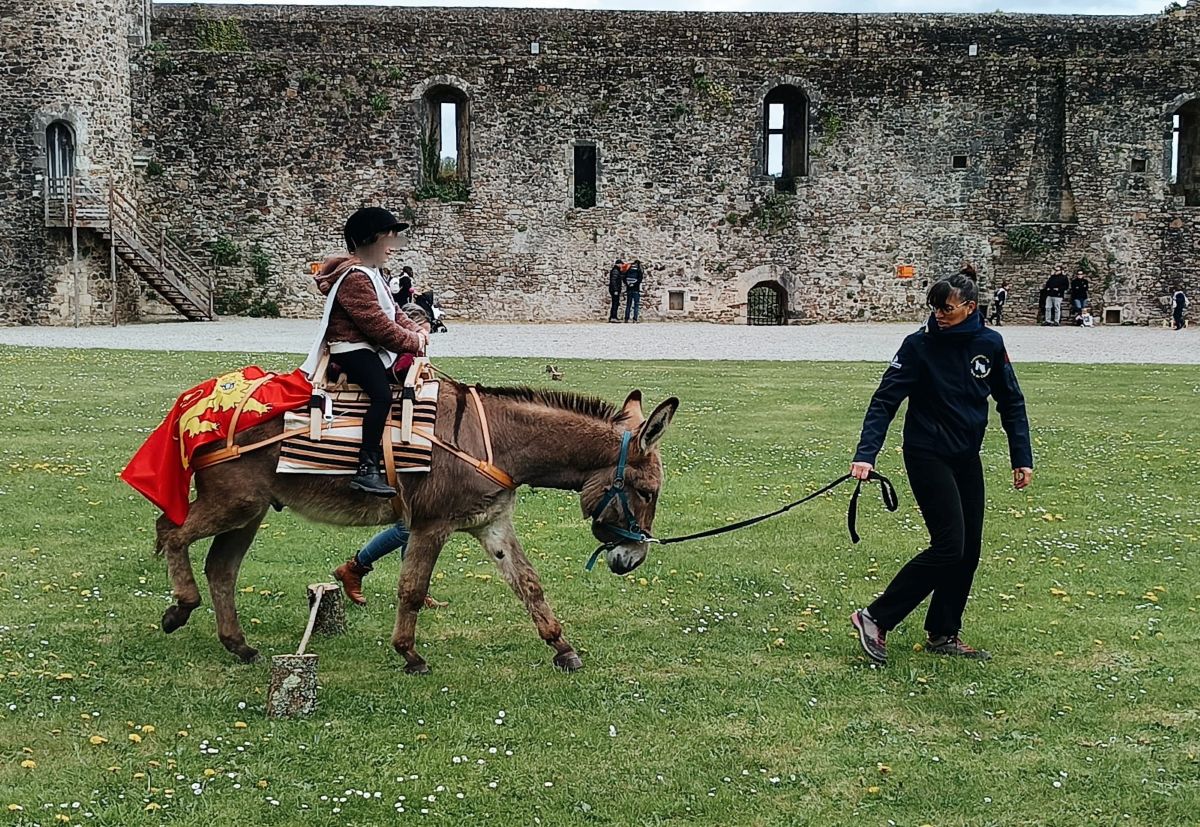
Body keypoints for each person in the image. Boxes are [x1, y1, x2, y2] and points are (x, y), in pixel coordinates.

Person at [848, 273, 1033, 665]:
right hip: (926, 452)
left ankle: (943, 632)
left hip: (966, 456)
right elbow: (885, 401)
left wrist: (1022, 456)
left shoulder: (990, 344)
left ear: (970, 306)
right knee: (949, 545)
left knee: (968, 550)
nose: (939, 314)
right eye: (934, 307)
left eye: (946, 308)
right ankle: (876, 617)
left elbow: (1011, 402)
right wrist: (867, 453)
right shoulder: (918, 346)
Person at [300, 207, 429, 497]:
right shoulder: (355, 278)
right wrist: (414, 342)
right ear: (369, 241)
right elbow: (378, 326)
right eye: (388, 240)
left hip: (367, 347)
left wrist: (417, 330)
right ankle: (367, 466)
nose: (393, 248)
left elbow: (395, 312)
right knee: (381, 395)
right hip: (352, 348)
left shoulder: (373, 274)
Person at [333, 304, 438, 606]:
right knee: (410, 522)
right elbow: (394, 376)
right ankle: (355, 568)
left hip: (407, 434)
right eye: (423, 332)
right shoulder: (398, 352)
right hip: (394, 437)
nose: (426, 340)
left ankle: (413, 587)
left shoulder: (406, 351)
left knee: (415, 520)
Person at [623, 258, 644, 323]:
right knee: (636, 305)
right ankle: (635, 319)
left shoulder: (628, 270)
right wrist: (634, 285)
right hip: (636, 289)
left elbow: (624, 278)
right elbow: (640, 280)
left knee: (628, 304)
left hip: (629, 289)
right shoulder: (639, 270)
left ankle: (626, 318)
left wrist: (628, 285)